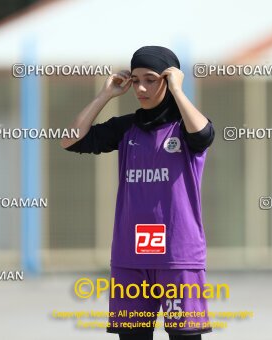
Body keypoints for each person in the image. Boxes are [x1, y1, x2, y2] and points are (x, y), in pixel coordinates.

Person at [61, 46, 215, 340]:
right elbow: (70, 140)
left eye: (151, 79)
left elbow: (203, 135)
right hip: (131, 257)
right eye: (135, 79)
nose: (141, 87)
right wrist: (104, 95)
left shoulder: (184, 129)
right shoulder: (126, 128)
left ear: (169, 81)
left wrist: (179, 92)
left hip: (177, 258)